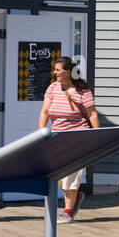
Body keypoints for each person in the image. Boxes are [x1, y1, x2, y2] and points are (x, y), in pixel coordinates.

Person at [38, 56, 100, 224]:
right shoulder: (53, 88)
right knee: (58, 176)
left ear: (68, 72)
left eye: (58, 70)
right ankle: (77, 196)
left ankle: (67, 212)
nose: (54, 72)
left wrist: (98, 136)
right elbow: (45, 111)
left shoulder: (83, 91)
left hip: (78, 138)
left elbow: (92, 114)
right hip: (57, 138)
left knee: (71, 177)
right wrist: (41, 133)